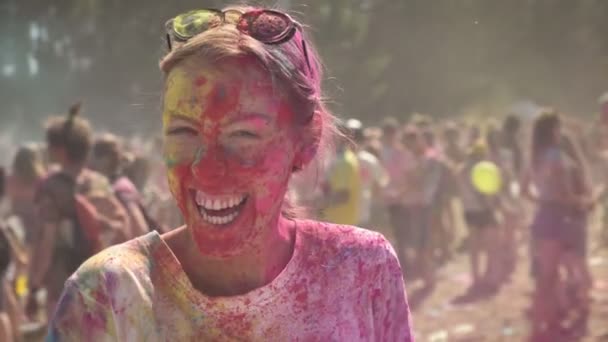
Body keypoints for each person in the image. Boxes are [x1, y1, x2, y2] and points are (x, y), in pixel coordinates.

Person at [48, 6, 413, 341]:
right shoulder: (106, 295)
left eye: (243, 135)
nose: (206, 170)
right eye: (184, 132)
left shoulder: (361, 271)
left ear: (307, 140)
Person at [27, 104, 129, 319]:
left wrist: (34, 287)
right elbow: (124, 230)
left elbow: (47, 242)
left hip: (63, 285)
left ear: (60, 151)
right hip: (100, 282)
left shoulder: (52, 188)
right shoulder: (100, 183)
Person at [522, 110, 592, 341]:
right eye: (558, 127)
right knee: (559, 272)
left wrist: (543, 200)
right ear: (553, 130)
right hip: (560, 218)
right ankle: (549, 323)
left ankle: (543, 323)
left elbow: (525, 191)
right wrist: (582, 202)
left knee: (547, 276)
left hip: (543, 216)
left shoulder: (534, 155)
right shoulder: (555, 155)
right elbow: (564, 192)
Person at [91, 133, 152, 237]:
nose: (90, 163)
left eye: (93, 158)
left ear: (105, 160)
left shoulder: (121, 189)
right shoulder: (111, 185)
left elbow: (141, 230)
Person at [347, 119, 388, 227]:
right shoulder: (339, 160)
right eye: (350, 138)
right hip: (342, 214)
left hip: (363, 213)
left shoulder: (369, 161)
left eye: (356, 138)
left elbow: (380, 184)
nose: (353, 142)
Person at [319, 123, 362, 226]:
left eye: (332, 135)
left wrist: (316, 206)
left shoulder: (345, 161)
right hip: (334, 221)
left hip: (342, 222)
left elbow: (343, 196)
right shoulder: (336, 158)